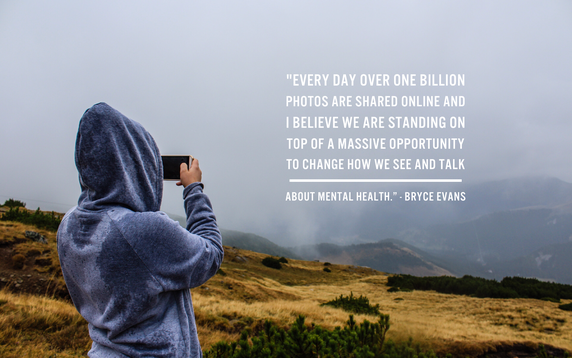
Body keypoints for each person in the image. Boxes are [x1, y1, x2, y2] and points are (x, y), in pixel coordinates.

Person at [57, 102, 223, 357]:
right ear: (134, 165)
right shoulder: (142, 231)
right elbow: (210, 254)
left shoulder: (68, 226)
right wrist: (193, 190)